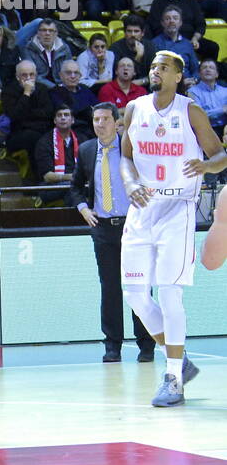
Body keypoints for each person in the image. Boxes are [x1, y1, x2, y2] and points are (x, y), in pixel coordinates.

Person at [120, 51, 227, 407]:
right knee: (136, 294)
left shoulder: (190, 110)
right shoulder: (134, 108)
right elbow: (125, 156)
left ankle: (173, 377)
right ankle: (181, 361)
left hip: (177, 209)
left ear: (179, 76)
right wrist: (130, 183)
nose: (156, 71)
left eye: (164, 67)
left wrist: (208, 168)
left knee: (169, 293)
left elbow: (220, 154)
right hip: (141, 209)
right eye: (152, 66)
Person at [69, 103, 156, 364]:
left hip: (133, 226)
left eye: (105, 119)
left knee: (140, 286)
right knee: (109, 289)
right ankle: (112, 346)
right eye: (96, 119)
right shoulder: (86, 151)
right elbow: (74, 188)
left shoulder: (131, 148)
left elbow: (150, 181)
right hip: (103, 228)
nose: (100, 124)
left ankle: (146, 344)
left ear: (116, 122)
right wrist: (84, 208)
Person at [34, 104, 81, 199]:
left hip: (78, 183)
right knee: (72, 190)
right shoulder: (44, 142)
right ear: (54, 121)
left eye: (66, 115)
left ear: (72, 120)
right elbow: (47, 176)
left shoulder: (82, 139)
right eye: (59, 115)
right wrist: (71, 177)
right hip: (52, 186)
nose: (63, 118)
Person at [51, 59, 100, 139]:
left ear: (80, 75)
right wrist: (88, 111)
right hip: (74, 132)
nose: (73, 76)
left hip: (94, 127)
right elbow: (69, 113)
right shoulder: (55, 92)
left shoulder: (85, 89)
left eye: (76, 73)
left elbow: (98, 108)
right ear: (60, 75)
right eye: (68, 73)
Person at [189, 60, 227, 134]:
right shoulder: (192, 92)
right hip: (203, 130)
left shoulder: (225, 91)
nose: (208, 69)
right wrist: (222, 110)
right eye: (204, 67)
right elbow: (198, 116)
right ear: (199, 74)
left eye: (211, 68)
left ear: (217, 74)